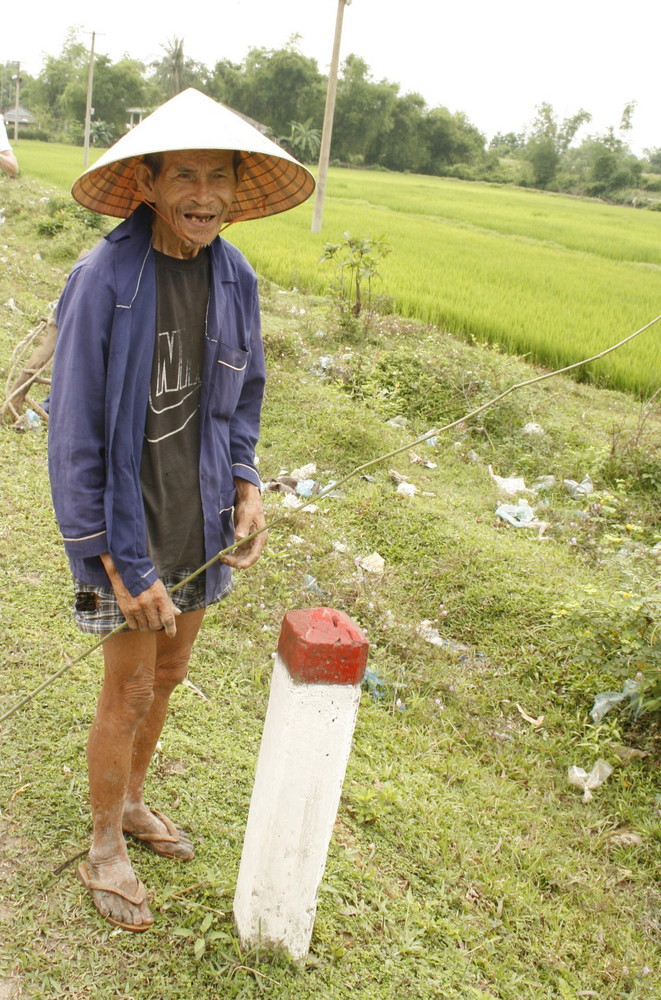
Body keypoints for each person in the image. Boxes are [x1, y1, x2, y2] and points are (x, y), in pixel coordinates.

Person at [47, 89, 314, 932]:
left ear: (239, 189)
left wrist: (247, 485)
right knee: (125, 690)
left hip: (195, 517)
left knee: (167, 676)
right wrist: (116, 561)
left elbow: (242, 402)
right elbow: (76, 436)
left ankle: (129, 803)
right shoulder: (104, 280)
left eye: (220, 177)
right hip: (125, 526)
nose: (205, 194)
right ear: (151, 185)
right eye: (186, 175)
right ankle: (102, 848)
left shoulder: (234, 275)